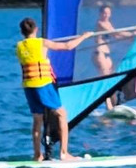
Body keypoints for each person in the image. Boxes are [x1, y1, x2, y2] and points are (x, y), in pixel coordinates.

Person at [16, 17, 91, 160]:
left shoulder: (19, 46)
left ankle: (37, 155)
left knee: (37, 120)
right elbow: (68, 46)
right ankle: (64, 153)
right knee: (62, 114)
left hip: (28, 87)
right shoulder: (42, 42)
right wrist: (84, 36)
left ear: (22, 32)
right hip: (43, 85)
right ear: (36, 29)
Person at [92, 4, 133, 110]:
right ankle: (108, 107)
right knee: (106, 81)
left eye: (108, 13)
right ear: (100, 13)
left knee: (112, 81)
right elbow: (115, 33)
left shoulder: (108, 23)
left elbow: (118, 35)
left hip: (107, 55)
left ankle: (114, 104)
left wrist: (133, 36)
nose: (106, 15)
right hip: (99, 54)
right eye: (104, 13)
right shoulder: (100, 23)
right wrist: (133, 34)